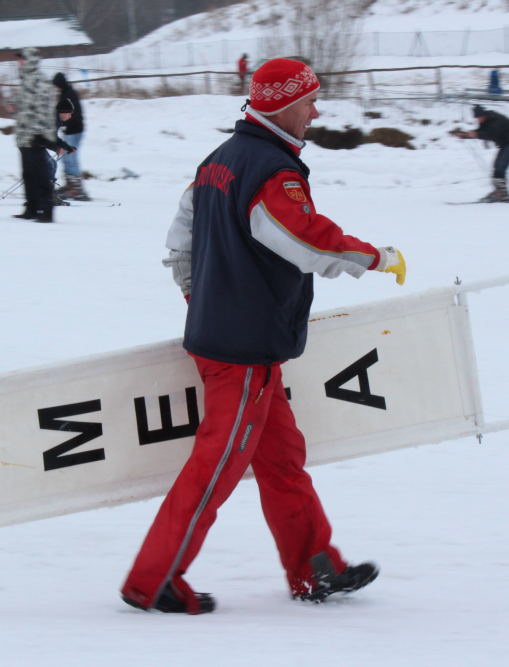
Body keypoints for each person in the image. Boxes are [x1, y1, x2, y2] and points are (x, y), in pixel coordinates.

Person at [120, 58, 407, 615]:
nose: (316, 112)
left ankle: (315, 568)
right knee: (218, 464)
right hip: (241, 349)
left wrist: (200, 302)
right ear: (282, 105)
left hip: (237, 341)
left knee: (282, 460)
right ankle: (152, 580)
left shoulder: (217, 162)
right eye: (309, 101)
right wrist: (376, 257)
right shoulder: (272, 171)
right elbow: (305, 240)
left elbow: (180, 243)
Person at [9, 47, 58, 223]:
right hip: (24, 135)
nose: (19, 62)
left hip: (36, 136)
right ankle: (31, 208)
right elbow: (26, 109)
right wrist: (14, 109)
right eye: (19, 59)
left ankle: (47, 211)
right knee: (28, 174)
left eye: (22, 59)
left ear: (30, 60)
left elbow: (44, 109)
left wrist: (41, 133)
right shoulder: (25, 81)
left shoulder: (40, 80)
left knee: (41, 175)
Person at [455, 104, 509, 203]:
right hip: (505, 142)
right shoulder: (486, 120)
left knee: (501, 166)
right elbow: (482, 131)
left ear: (483, 115)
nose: (478, 120)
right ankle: (500, 191)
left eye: (479, 118)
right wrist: (466, 135)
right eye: (476, 118)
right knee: (497, 166)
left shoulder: (495, 119)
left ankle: (502, 193)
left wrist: (476, 134)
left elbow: (491, 134)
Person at [51, 72, 88, 202]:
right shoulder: (65, 93)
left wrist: (65, 122)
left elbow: (74, 113)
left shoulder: (69, 95)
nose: (55, 88)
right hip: (70, 130)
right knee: (66, 158)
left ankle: (76, 188)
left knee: (71, 158)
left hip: (75, 130)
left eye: (56, 85)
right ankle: (70, 185)